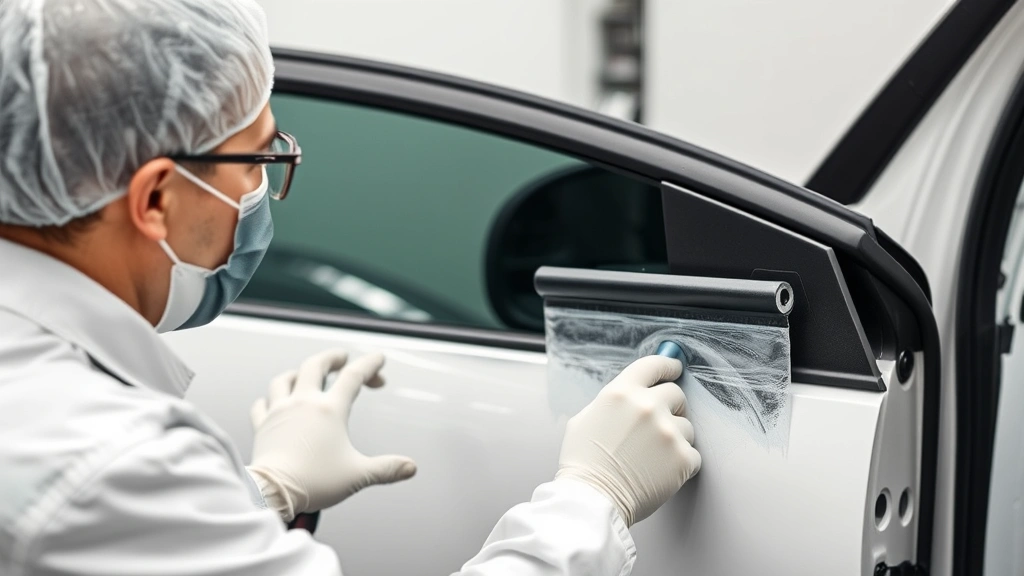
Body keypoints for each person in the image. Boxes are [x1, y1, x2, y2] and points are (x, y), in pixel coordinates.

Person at [0, 0, 702, 574]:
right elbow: (93, 499)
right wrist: (591, 498)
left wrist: (260, 492)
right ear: (156, 199)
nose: (264, 189)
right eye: (257, 157)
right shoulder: (106, 461)